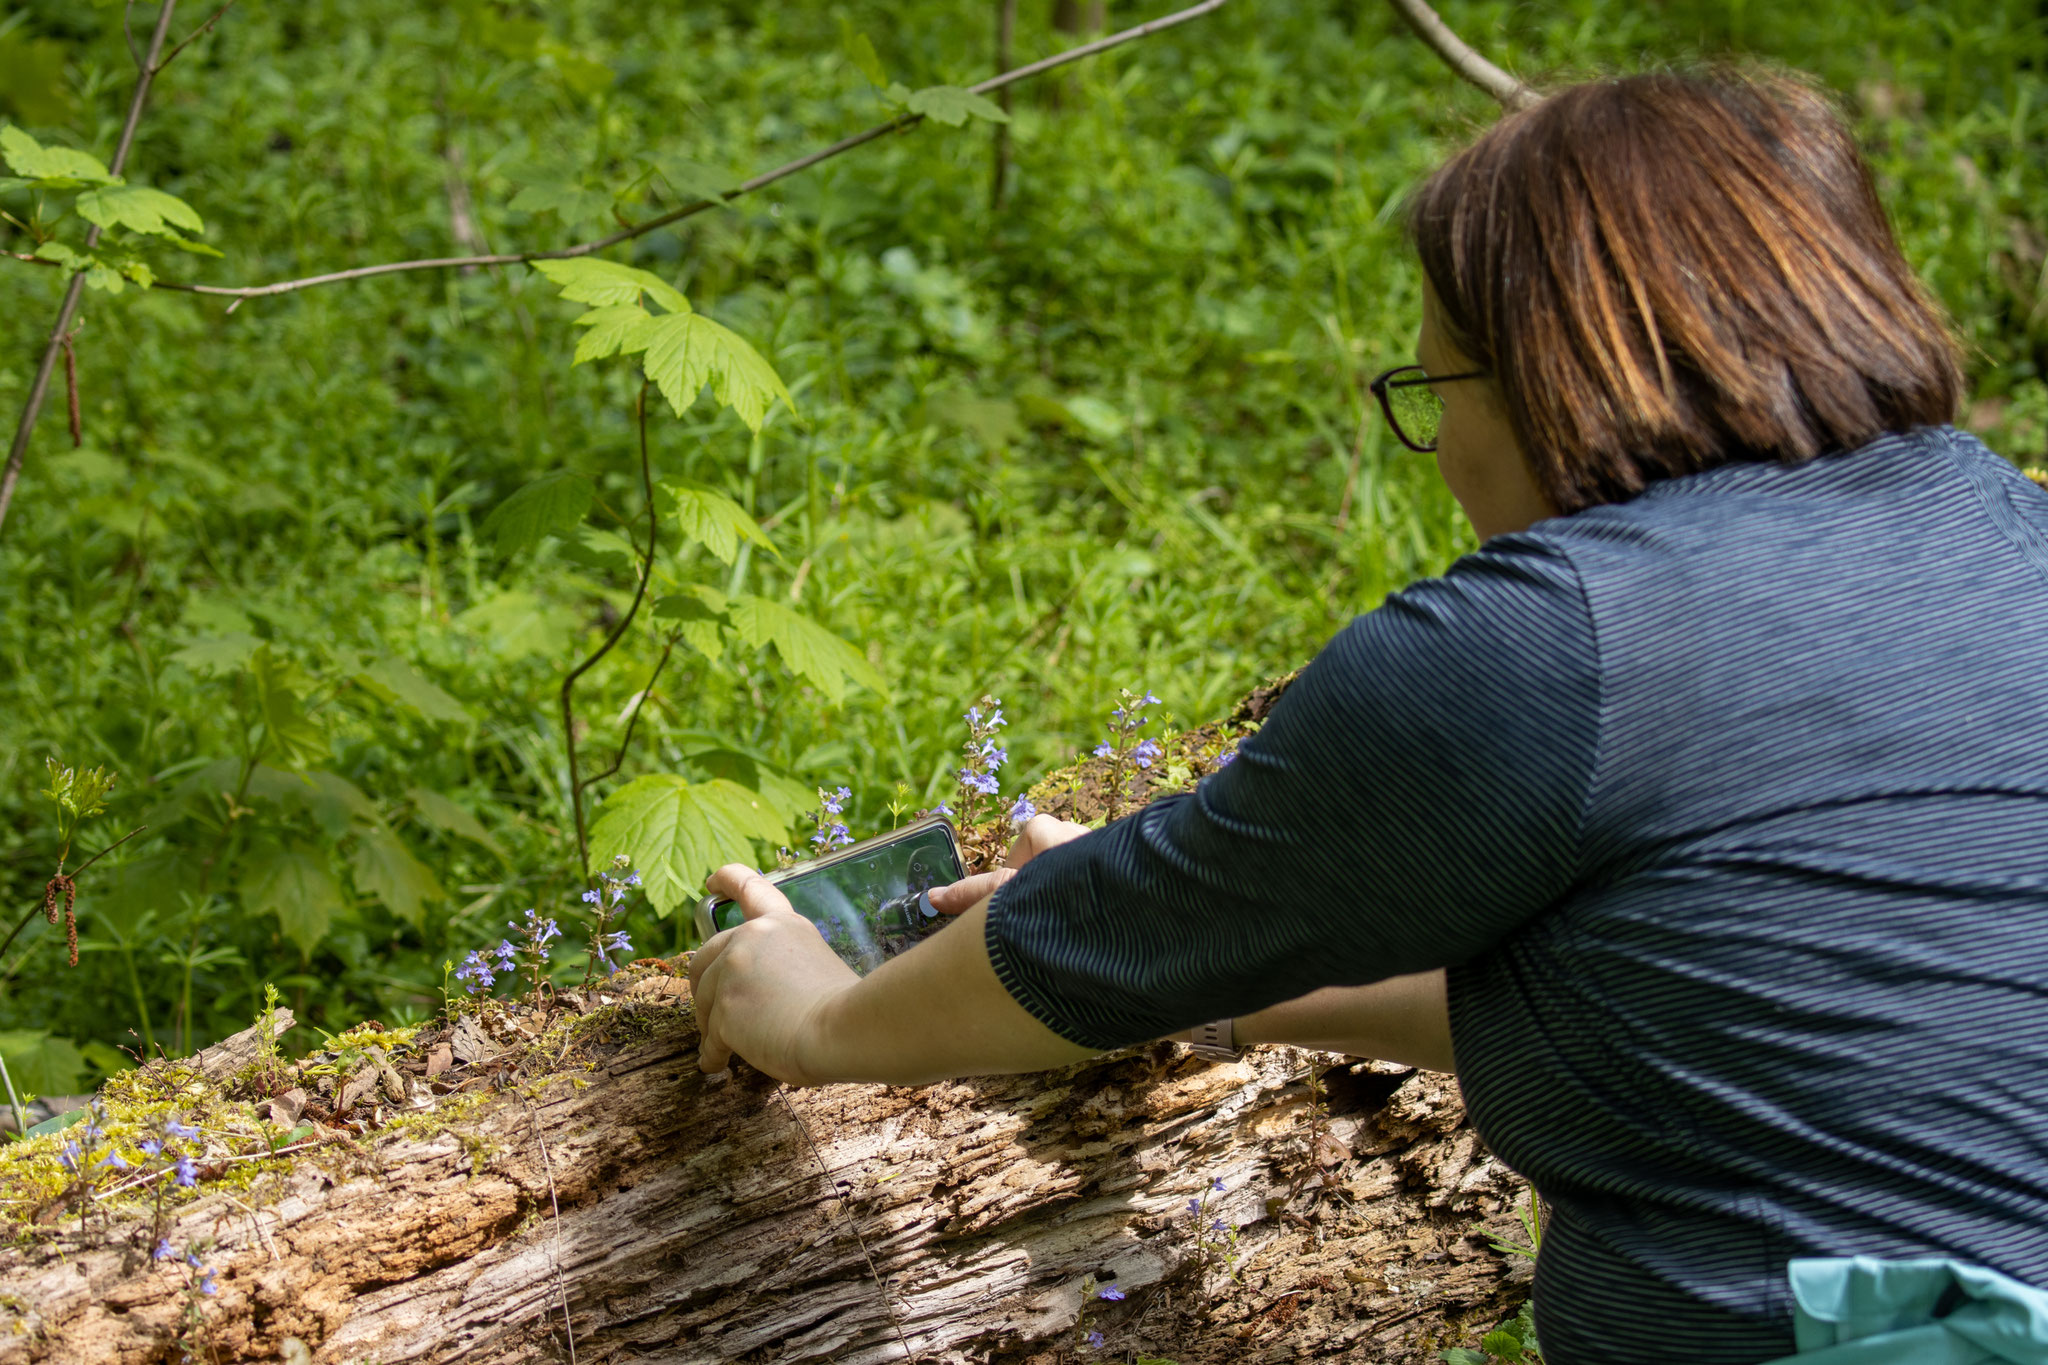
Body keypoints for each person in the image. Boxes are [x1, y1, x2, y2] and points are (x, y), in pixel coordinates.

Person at [688, 68, 2048, 1364]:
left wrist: (817, 1019)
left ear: (1549, 377)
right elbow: (1719, 1005)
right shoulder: (2011, 528)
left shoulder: (1552, 638)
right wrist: (1235, 991)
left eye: (1432, 388)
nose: (1445, 454)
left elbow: (1106, 940)